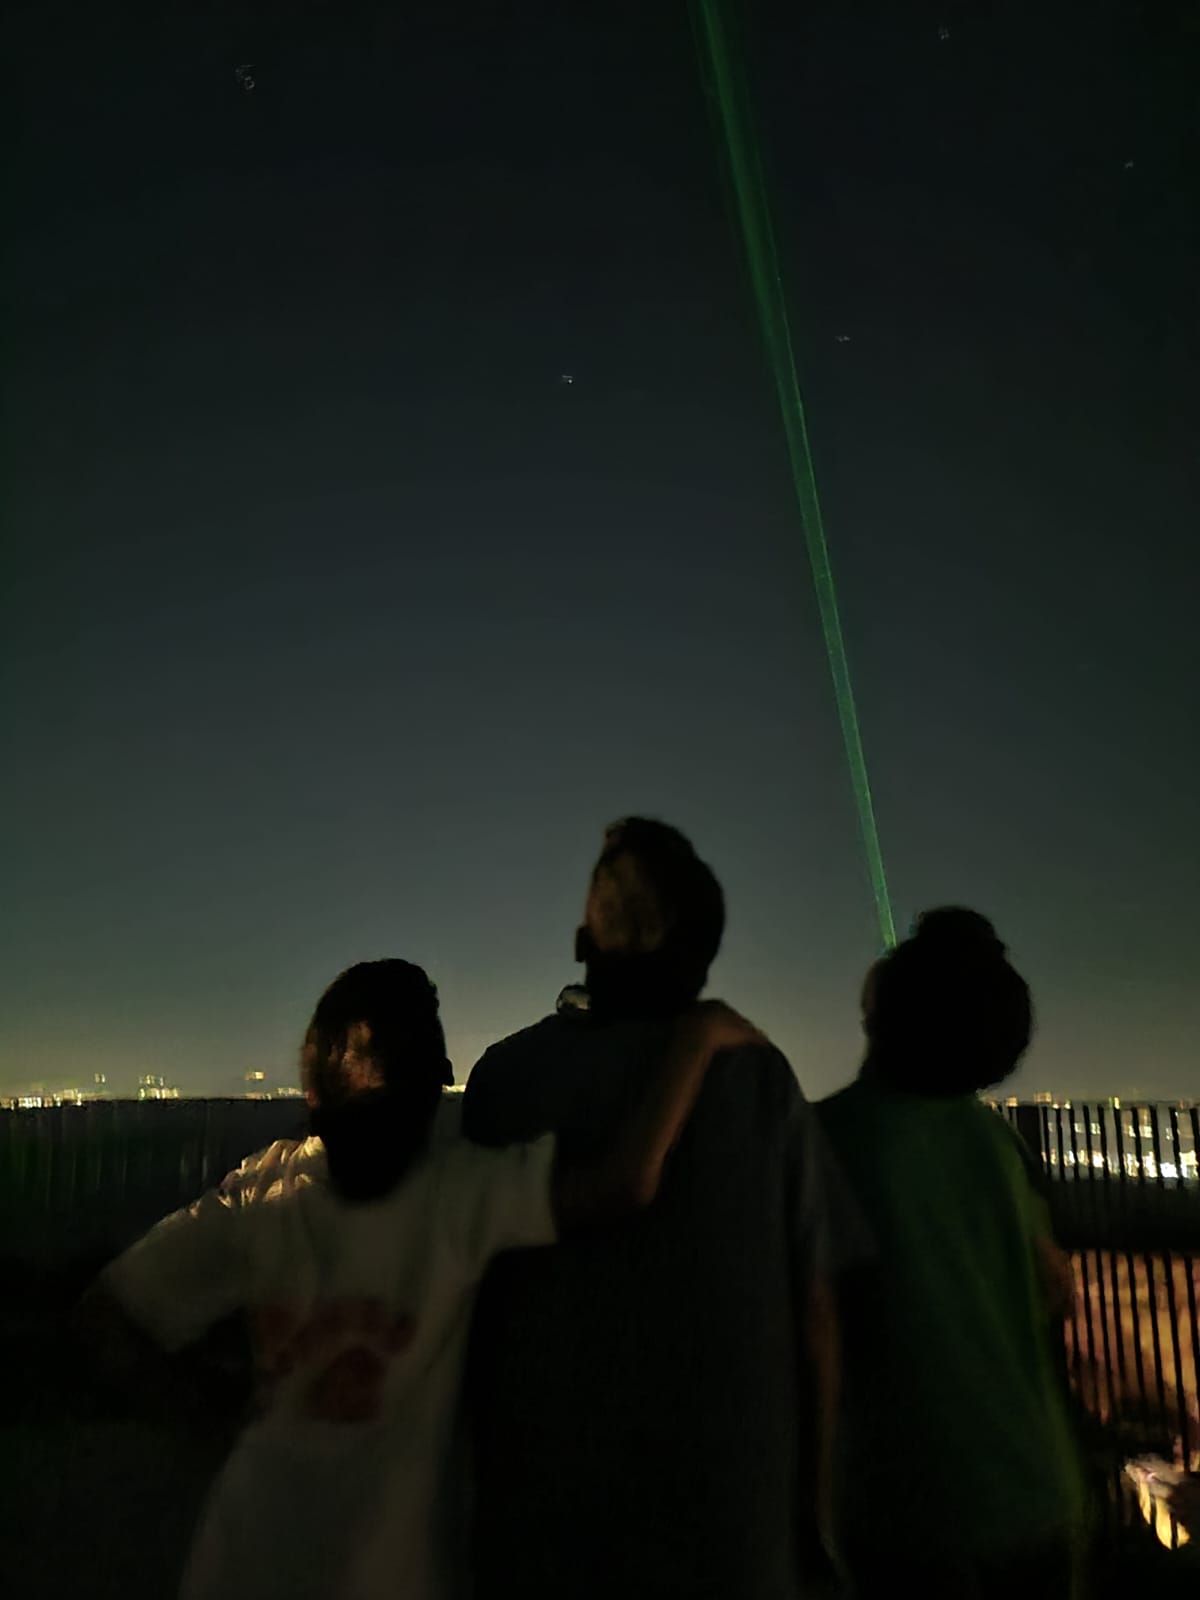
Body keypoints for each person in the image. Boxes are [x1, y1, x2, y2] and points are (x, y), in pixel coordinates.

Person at [77, 958, 763, 1600]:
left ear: (314, 1088)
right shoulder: (457, 1191)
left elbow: (106, 1314)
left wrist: (202, 1411)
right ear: (433, 1090)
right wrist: (697, 1038)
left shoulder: (265, 1191)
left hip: (241, 1561)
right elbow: (623, 1184)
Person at [462, 818, 848, 1600]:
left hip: (541, 1527)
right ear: (704, 953)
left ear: (583, 941)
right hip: (730, 1535)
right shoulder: (759, 1081)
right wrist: (816, 1511)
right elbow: (817, 1312)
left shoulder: (503, 1079)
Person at [818, 908, 1090, 1599]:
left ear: (884, 1005)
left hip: (911, 1513)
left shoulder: (825, 1140)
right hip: (1040, 1491)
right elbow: (1055, 1287)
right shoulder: (997, 1144)